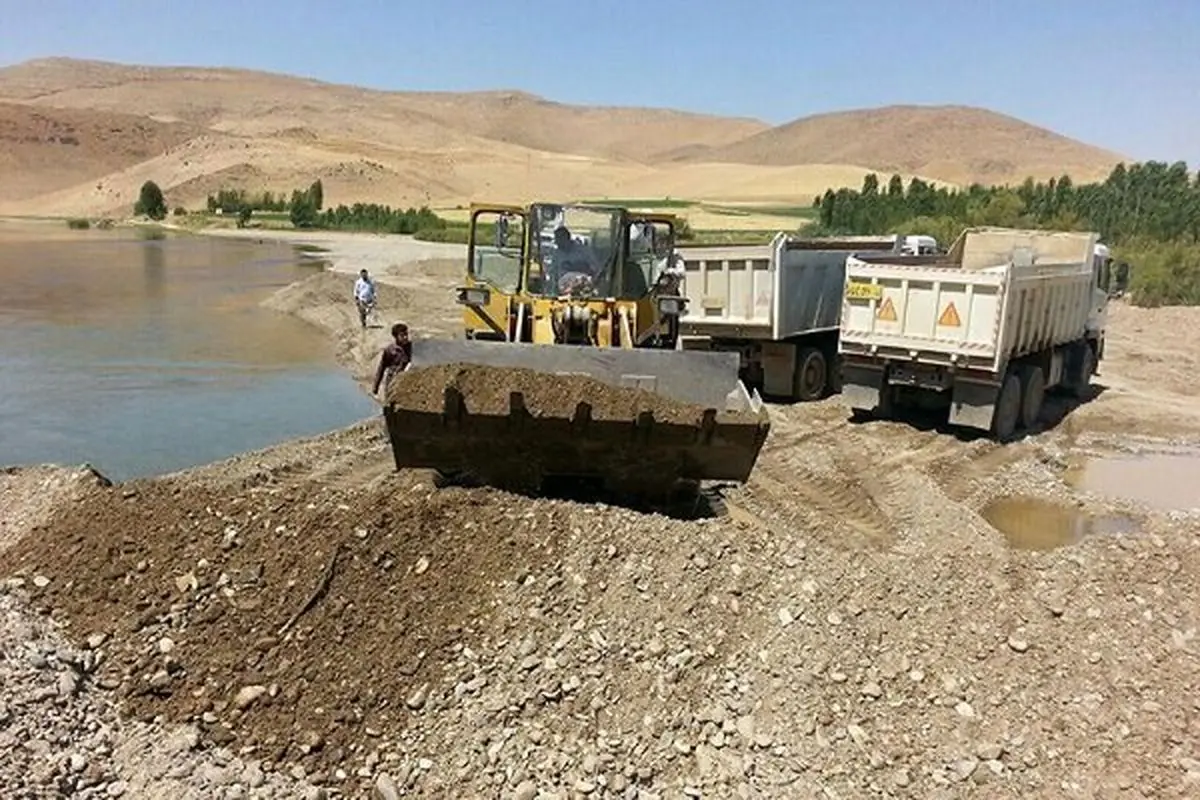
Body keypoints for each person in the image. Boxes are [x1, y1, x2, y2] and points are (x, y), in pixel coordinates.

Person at [372, 322, 412, 400]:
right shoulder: (390, 350)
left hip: (407, 383)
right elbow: (381, 369)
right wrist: (375, 388)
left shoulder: (412, 348)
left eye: (406, 334)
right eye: (402, 335)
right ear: (396, 337)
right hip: (392, 382)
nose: (405, 337)